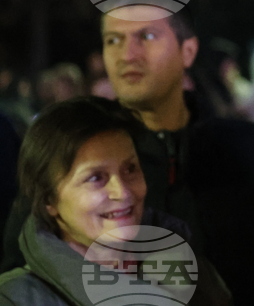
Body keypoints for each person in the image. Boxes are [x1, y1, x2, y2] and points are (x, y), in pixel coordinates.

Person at [1, 6, 254, 305]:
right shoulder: (61, 164)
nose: (127, 54)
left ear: (188, 50)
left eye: (147, 36)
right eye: (113, 39)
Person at [0, 97, 230, 305]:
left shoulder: (194, 275)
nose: (122, 191)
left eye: (130, 169)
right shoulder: (15, 298)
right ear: (49, 200)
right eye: (95, 178)